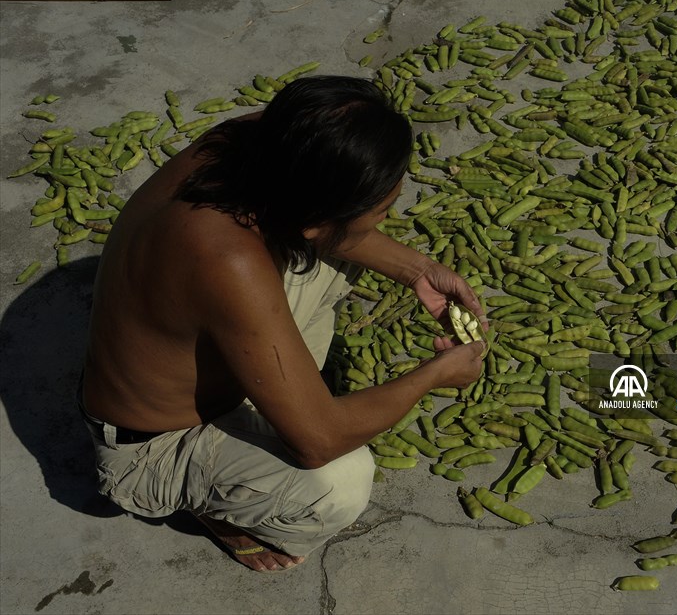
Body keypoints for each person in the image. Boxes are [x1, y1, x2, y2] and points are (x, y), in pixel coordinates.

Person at [79, 76, 486, 572]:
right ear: (312, 221)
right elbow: (319, 441)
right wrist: (436, 374)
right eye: (380, 211)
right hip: (150, 446)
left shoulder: (261, 139)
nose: (384, 218)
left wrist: (419, 270)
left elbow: (322, 230)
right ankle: (215, 502)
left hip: (201, 332)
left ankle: (271, 396)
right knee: (338, 484)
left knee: (341, 257)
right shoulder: (230, 263)